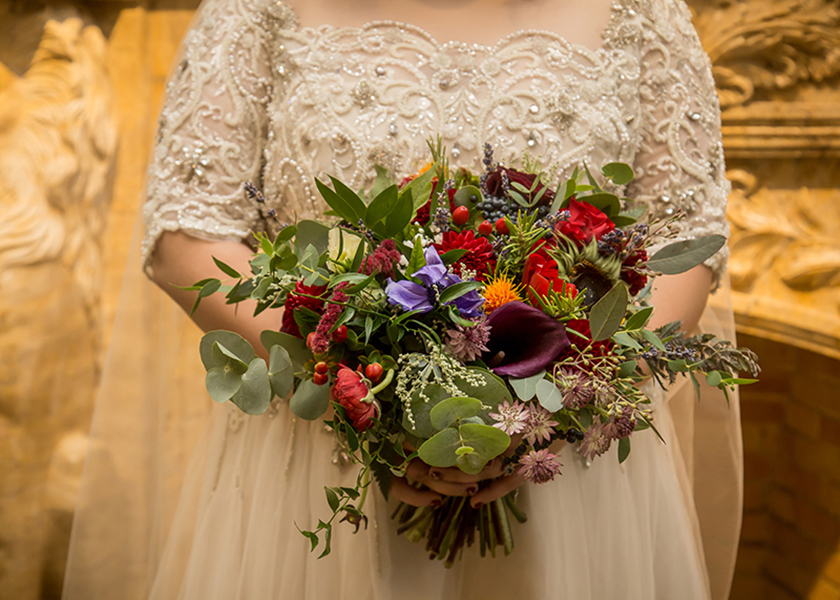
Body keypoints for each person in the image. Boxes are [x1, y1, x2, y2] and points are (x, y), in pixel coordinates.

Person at [63, 0, 744, 598]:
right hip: (324, 455)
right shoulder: (258, 6)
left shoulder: (641, 9)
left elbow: (689, 232)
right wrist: (357, 396)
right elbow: (187, 227)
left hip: (561, 473)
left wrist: (561, 405)